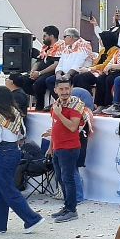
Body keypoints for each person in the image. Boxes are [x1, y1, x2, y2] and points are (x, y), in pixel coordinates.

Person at [0, 86, 43, 234]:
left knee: (7, 189)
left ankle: (32, 218)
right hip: (13, 150)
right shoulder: (15, 112)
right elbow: (23, 133)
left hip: (3, 152)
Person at [48, 78, 86, 223]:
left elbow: (72, 127)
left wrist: (59, 114)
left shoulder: (76, 105)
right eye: (61, 89)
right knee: (60, 178)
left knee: (68, 178)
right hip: (58, 147)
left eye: (67, 89)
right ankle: (67, 206)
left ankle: (72, 210)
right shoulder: (56, 104)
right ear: (56, 90)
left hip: (69, 148)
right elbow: (54, 125)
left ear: (71, 88)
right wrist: (51, 145)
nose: (64, 92)